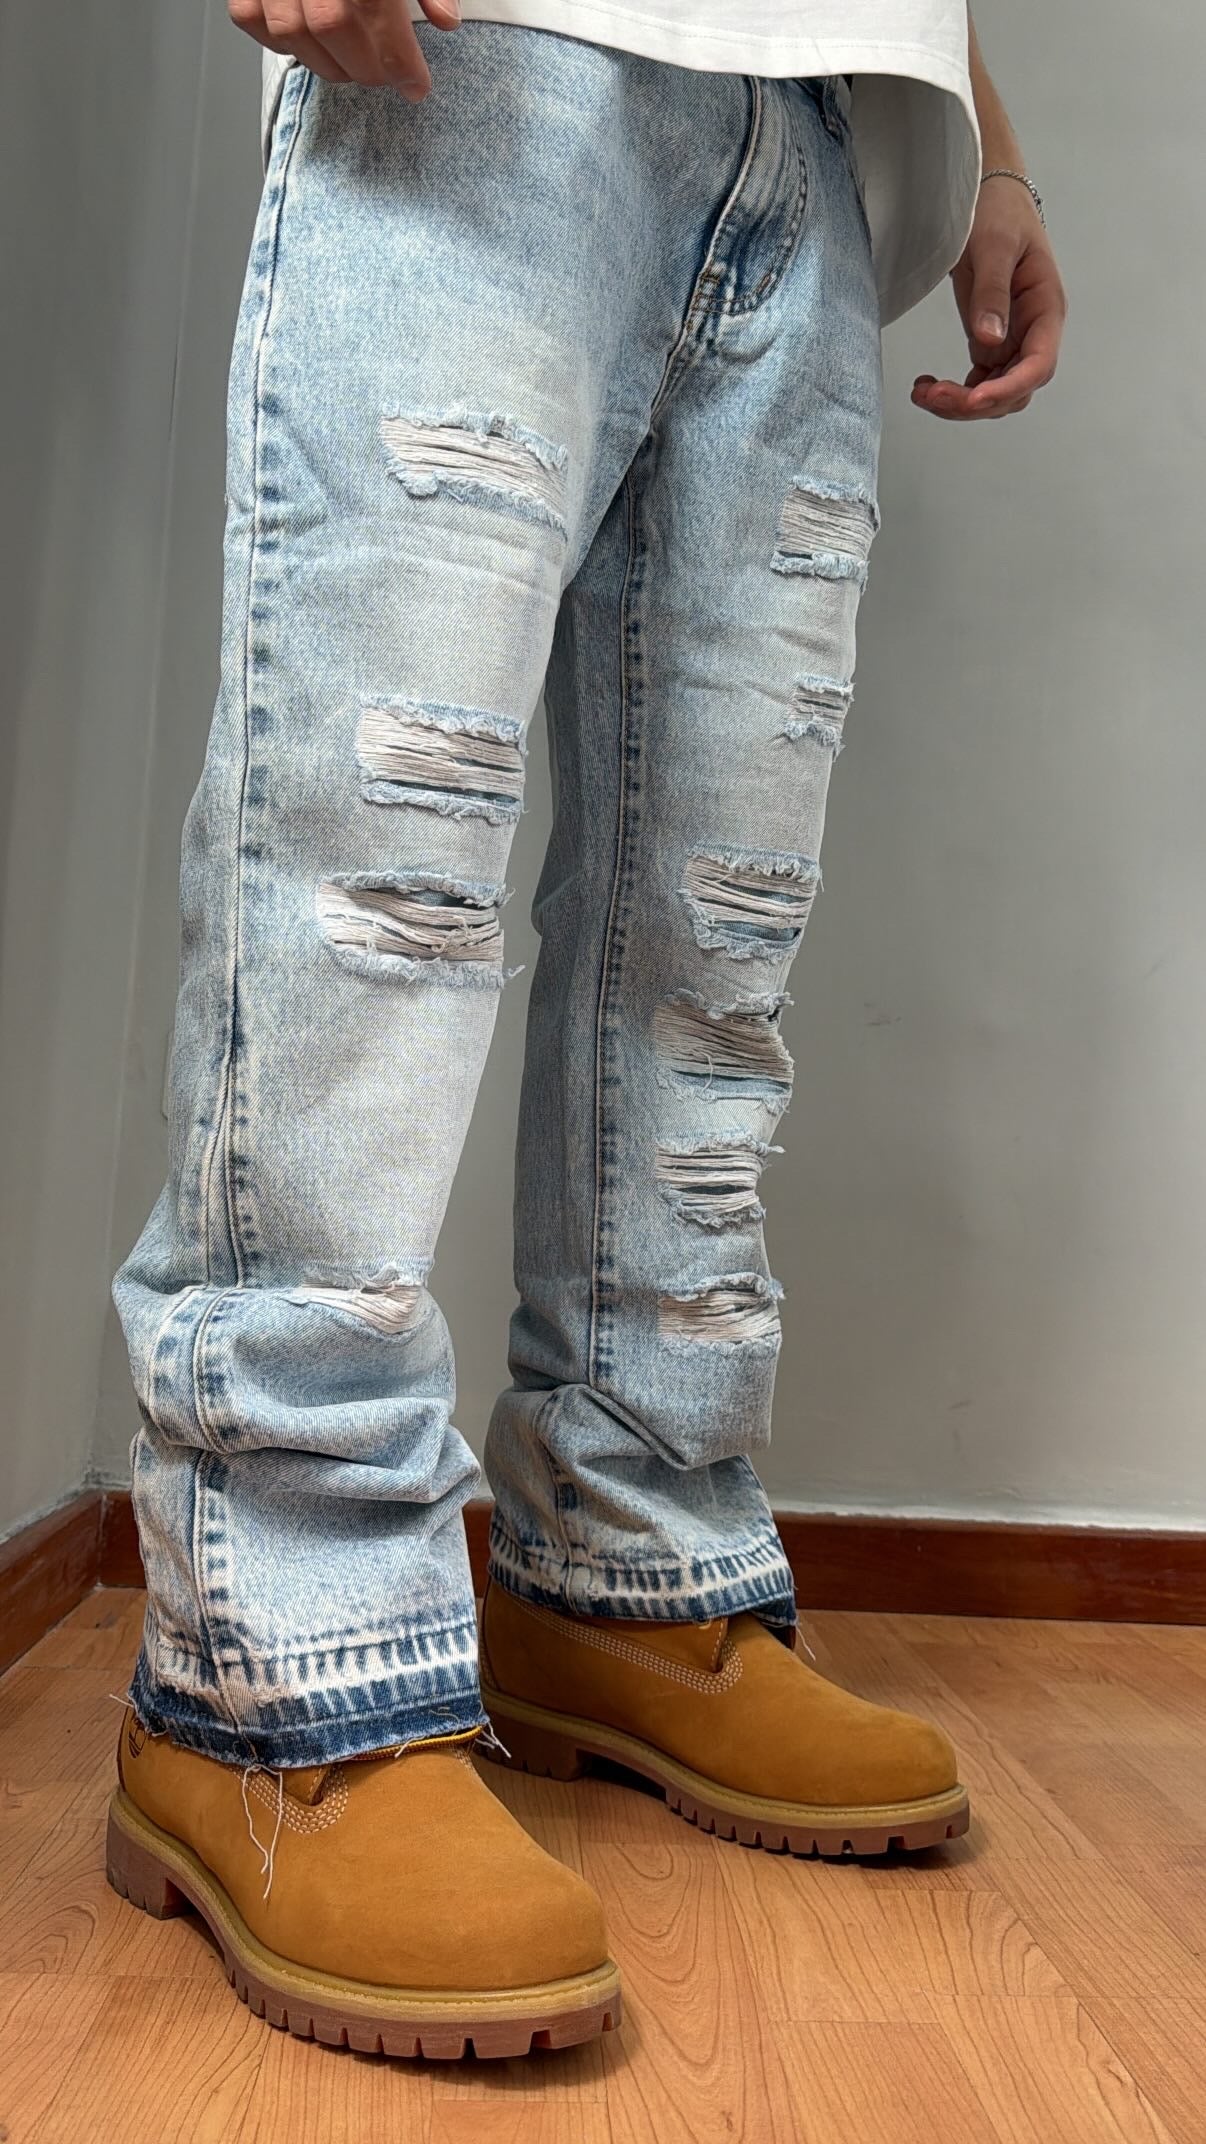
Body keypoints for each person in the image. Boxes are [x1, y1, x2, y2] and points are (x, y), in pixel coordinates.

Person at [104, 0, 1066, 2062]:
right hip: (491, 55)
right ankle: (274, 1671)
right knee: (377, 875)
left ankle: (635, 1569)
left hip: (818, 126)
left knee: (709, 938)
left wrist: (978, 127)